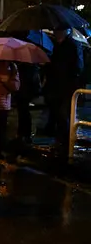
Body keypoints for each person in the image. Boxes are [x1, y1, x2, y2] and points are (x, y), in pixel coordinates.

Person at [44, 27, 84, 155]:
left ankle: (66, 144)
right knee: (57, 114)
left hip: (67, 86)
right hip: (55, 86)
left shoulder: (73, 45)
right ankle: (60, 141)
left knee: (63, 114)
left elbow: (78, 66)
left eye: (58, 30)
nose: (56, 33)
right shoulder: (56, 45)